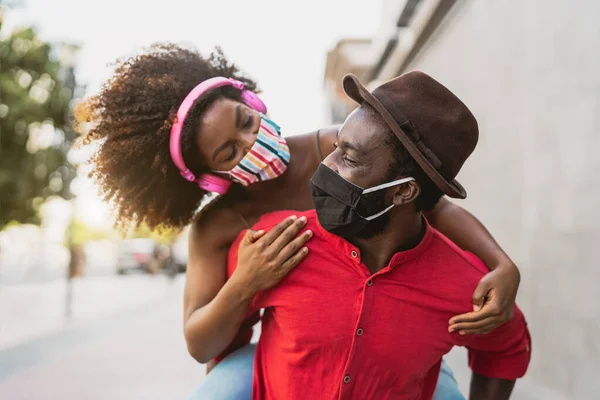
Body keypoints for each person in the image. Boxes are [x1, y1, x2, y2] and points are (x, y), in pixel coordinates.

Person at [76, 44, 520, 399]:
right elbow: (199, 342)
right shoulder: (219, 225)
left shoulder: (336, 148)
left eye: (245, 121)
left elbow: (430, 205)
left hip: (390, 349)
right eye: (229, 152)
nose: (251, 140)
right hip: (272, 355)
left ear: (252, 100)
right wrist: (245, 282)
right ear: (210, 178)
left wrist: (501, 265)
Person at [215, 71, 531, 399]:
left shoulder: (470, 288)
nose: (328, 162)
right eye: (336, 147)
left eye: (349, 157)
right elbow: (220, 344)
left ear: (404, 192)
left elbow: (506, 348)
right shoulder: (273, 246)